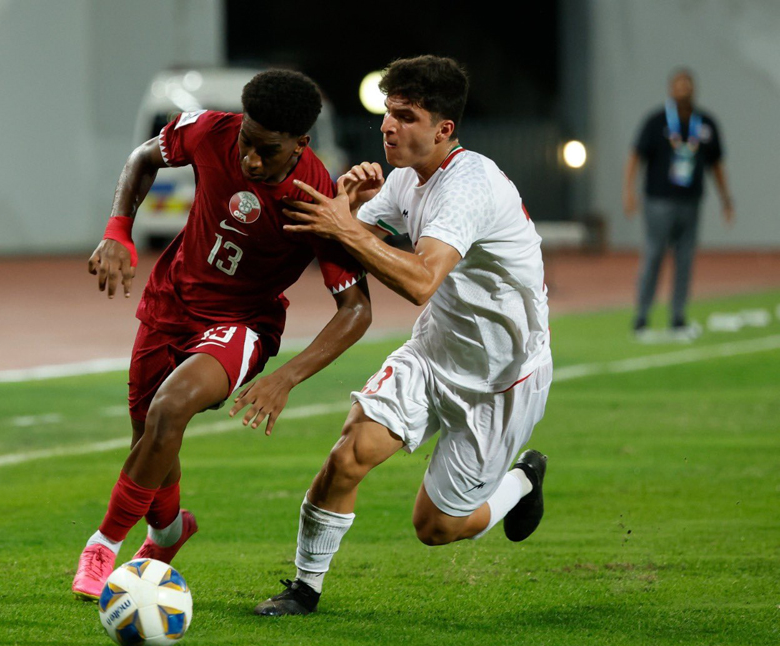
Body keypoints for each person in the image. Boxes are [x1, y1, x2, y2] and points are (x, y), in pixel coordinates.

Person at [253, 55, 552, 616]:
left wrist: (347, 226)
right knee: (348, 456)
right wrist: (349, 204)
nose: (388, 126)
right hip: (434, 352)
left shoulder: (468, 187)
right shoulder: (406, 182)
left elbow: (419, 280)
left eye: (406, 116)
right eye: (388, 114)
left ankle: (521, 486)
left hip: (502, 379)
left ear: (444, 130)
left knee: (436, 526)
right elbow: (344, 245)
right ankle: (304, 589)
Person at [71, 69, 372, 600]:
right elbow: (143, 157)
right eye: (246, 142)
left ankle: (102, 545)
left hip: (240, 324)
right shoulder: (212, 130)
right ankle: (167, 533)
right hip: (171, 300)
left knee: (169, 409)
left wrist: (285, 378)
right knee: (148, 434)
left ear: (301, 144)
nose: (250, 159)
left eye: (267, 151)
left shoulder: (317, 197)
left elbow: (355, 310)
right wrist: (117, 229)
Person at [623, 68, 733, 338]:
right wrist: (629, 191)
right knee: (653, 256)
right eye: (678, 83)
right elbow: (636, 156)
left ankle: (678, 316)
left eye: (688, 83)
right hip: (658, 201)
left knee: (685, 259)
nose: (683, 88)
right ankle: (642, 316)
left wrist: (725, 198)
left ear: (695, 88)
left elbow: (716, 165)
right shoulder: (657, 121)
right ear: (670, 89)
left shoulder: (705, 123)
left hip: (691, 201)